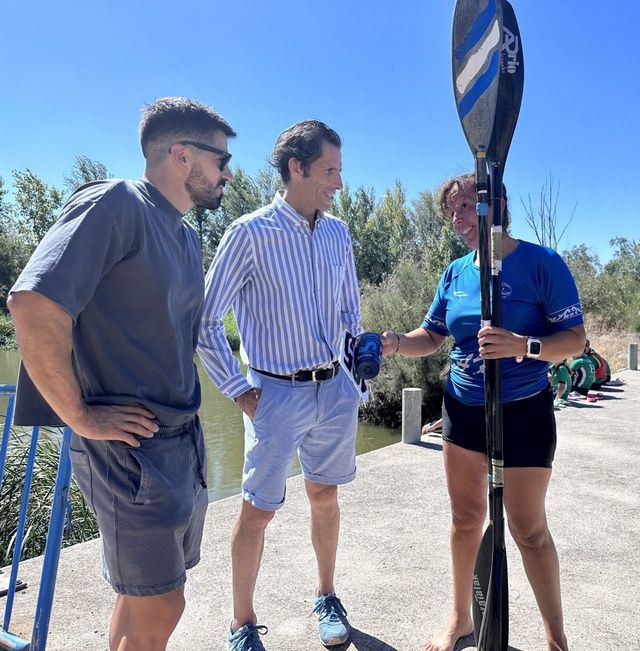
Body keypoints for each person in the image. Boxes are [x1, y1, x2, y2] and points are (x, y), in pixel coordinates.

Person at [8, 97, 235, 651]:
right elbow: (34, 304)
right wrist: (79, 415)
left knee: (142, 595)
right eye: (221, 160)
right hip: (130, 453)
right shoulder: (116, 203)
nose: (228, 173)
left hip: (179, 441)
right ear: (181, 155)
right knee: (163, 599)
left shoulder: (183, 233)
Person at [381, 172, 585, 651]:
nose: (458, 218)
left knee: (528, 529)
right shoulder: (455, 273)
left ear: (498, 204)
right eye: (451, 210)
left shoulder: (541, 264)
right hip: (463, 406)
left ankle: (557, 639)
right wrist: (393, 343)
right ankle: (460, 620)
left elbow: (574, 340)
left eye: (468, 205)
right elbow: (431, 336)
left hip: (524, 408)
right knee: (466, 520)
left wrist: (523, 344)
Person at [197, 120, 361, 650]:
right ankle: (241, 624)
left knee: (325, 494)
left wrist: (358, 370)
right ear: (297, 167)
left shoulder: (338, 233)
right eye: (330, 170)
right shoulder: (248, 233)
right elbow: (203, 321)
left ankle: (327, 595)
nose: (339, 182)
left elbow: (350, 313)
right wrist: (240, 392)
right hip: (275, 395)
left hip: (334, 389)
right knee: (258, 510)